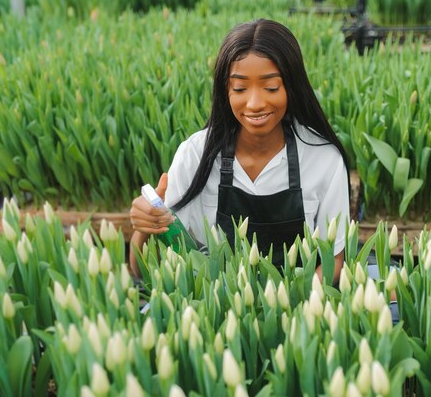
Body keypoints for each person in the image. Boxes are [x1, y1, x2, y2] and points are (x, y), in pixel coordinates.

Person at [128, 19, 350, 284]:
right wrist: (144, 229)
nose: (255, 103)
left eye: (270, 88)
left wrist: (298, 305)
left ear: (292, 86)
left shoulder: (323, 159)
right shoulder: (196, 155)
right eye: (240, 88)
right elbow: (144, 271)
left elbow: (334, 261)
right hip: (211, 312)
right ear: (225, 91)